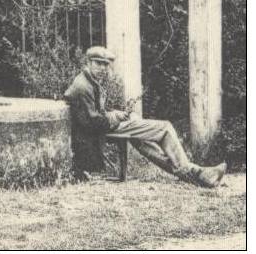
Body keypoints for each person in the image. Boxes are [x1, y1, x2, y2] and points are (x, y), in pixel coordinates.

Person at [64, 46, 226, 187]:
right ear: (88, 63)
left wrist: (116, 114)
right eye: (98, 63)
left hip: (99, 129)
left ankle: (196, 174)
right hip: (96, 135)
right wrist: (116, 117)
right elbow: (93, 122)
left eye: (105, 64)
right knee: (165, 128)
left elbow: (94, 114)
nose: (103, 68)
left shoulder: (89, 81)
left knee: (142, 139)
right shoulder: (83, 86)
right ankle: (191, 172)